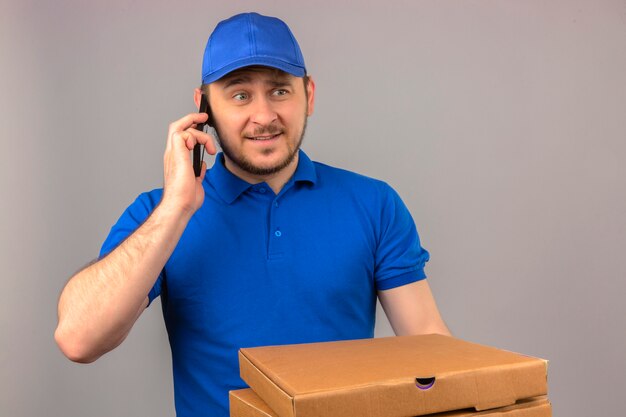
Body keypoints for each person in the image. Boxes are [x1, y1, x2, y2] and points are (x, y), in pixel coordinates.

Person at [55, 12, 450, 417]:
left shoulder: (374, 204)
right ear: (204, 107)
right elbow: (79, 339)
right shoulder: (160, 216)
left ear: (308, 95)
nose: (263, 116)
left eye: (280, 91)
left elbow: (431, 353)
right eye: (240, 95)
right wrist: (176, 208)